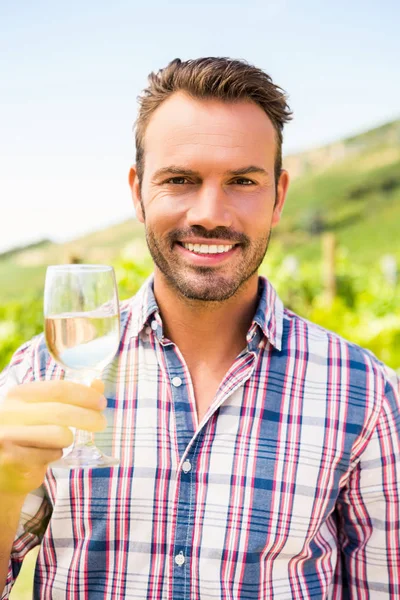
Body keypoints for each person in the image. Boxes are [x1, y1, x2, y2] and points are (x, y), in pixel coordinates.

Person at [0, 57, 399, 600]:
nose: (210, 213)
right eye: (181, 180)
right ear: (138, 190)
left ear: (278, 196)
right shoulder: (38, 373)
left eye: (242, 181)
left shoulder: (367, 394)